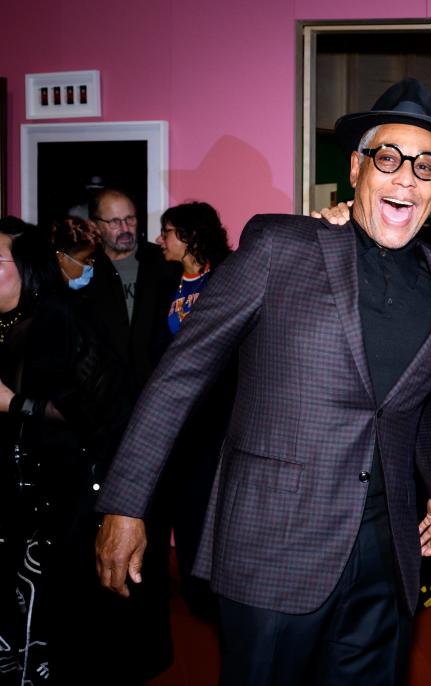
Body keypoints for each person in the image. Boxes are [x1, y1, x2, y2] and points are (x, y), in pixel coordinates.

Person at [94, 77, 431, 685]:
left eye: (425, 166)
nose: (406, 177)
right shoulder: (281, 247)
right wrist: (126, 503)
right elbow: (178, 377)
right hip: (274, 546)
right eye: (389, 158)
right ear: (356, 168)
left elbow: (417, 404)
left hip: (384, 558)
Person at [0, 217, 167, 684]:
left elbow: (98, 410)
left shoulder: (59, 318)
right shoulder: (6, 324)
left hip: (68, 505)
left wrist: (13, 403)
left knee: (62, 632)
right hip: (19, 506)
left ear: (27, 267)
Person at [154, 201, 234, 619]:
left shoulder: (226, 277)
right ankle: (193, 588)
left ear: (187, 237)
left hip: (217, 418)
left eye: (166, 231)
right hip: (176, 418)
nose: (159, 240)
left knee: (212, 505)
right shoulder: (162, 279)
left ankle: (216, 592)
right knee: (183, 506)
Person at [86, 187, 179, 393]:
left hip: (159, 391)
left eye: (130, 219)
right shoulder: (84, 270)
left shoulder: (163, 262)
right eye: (115, 222)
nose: (125, 228)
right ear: (95, 226)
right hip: (105, 401)